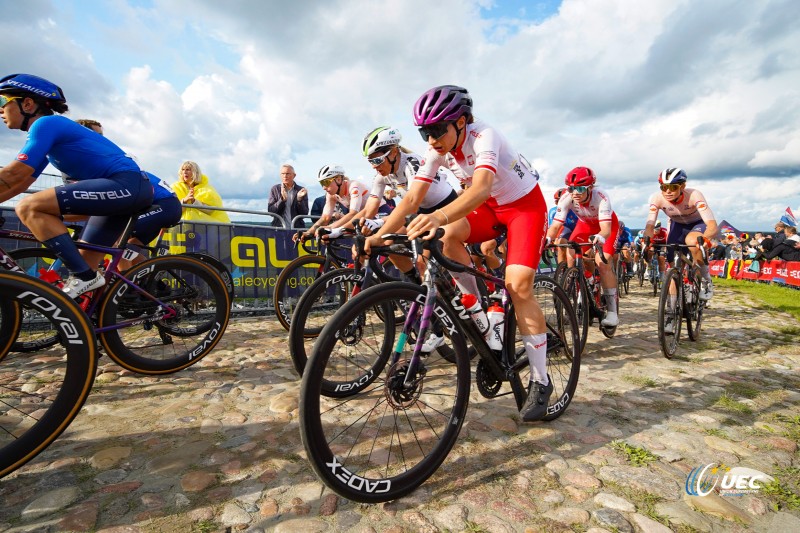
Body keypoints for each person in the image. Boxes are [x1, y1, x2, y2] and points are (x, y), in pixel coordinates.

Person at [402, 85, 551, 422]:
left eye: (438, 130)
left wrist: (438, 215)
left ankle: (541, 381)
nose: (431, 139)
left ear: (462, 122)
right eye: (425, 132)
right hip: (490, 209)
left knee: (519, 285)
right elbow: (412, 198)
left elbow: (482, 186)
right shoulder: (438, 149)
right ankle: (482, 319)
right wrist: (382, 234)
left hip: (523, 208)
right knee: (448, 237)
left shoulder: (485, 135)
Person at [0, 73, 153, 297]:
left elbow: (14, 173)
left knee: (28, 207)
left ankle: (86, 277)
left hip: (126, 184)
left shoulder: (46, 124)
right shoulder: (50, 136)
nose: (0, 111)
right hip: (124, 191)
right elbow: (19, 183)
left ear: (28, 103)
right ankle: (89, 324)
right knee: (84, 276)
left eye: (2, 102)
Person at [71, 119, 181, 270]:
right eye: (97, 135)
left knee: (118, 243)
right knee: (129, 250)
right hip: (160, 204)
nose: (101, 139)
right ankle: (153, 285)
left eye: (101, 135)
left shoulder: (101, 160)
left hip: (164, 204)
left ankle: (124, 289)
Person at [360, 125, 458, 296]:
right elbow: (371, 207)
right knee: (389, 245)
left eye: (377, 160)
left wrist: (377, 235)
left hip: (444, 207)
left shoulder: (412, 163)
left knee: (423, 263)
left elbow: (411, 202)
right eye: (370, 161)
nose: (374, 166)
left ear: (393, 152)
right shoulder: (382, 175)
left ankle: (439, 304)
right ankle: (418, 286)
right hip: (422, 212)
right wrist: (363, 227)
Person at [547, 167, 620, 328]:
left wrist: (601, 237)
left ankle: (612, 312)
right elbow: (556, 226)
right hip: (585, 225)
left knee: (602, 262)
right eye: (571, 188)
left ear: (590, 188)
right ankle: (583, 282)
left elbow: (606, 229)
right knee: (571, 253)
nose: (575, 193)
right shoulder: (566, 197)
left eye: (580, 188)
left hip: (606, 226)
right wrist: (546, 239)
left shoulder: (601, 196)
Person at [644, 167, 718, 303]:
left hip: (698, 224)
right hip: (677, 226)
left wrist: (705, 240)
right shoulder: (657, 198)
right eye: (664, 187)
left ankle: (706, 280)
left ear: (682, 186)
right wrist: (647, 242)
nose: (668, 191)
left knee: (692, 241)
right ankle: (672, 307)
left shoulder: (694, 195)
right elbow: (649, 226)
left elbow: (712, 225)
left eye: (673, 187)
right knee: (672, 267)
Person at [299, 165, 369, 239]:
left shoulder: (354, 186)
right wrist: (309, 232)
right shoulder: (331, 194)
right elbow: (325, 218)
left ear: (338, 179)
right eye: (321, 183)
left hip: (379, 214)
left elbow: (353, 214)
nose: (324, 188)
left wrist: (330, 227)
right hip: (364, 218)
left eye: (326, 182)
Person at [268, 164, 308, 228]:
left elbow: (304, 213)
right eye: (282, 174)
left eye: (287, 174)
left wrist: (299, 200)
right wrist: (282, 200)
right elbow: (271, 211)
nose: (285, 176)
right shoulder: (275, 189)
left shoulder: (301, 190)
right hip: (279, 229)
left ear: (294, 175)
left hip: (296, 230)